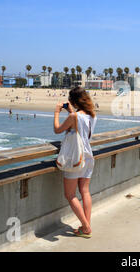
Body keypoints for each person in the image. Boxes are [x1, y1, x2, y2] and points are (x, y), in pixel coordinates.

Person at [54, 87, 97, 238]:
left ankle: (86, 227)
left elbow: (58, 129)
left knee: (70, 194)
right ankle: (86, 226)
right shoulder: (92, 115)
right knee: (85, 191)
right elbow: (79, 124)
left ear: (73, 101)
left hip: (75, 159)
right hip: (88, 157)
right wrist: (71, 111)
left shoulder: (74, 117)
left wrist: (57, 112)